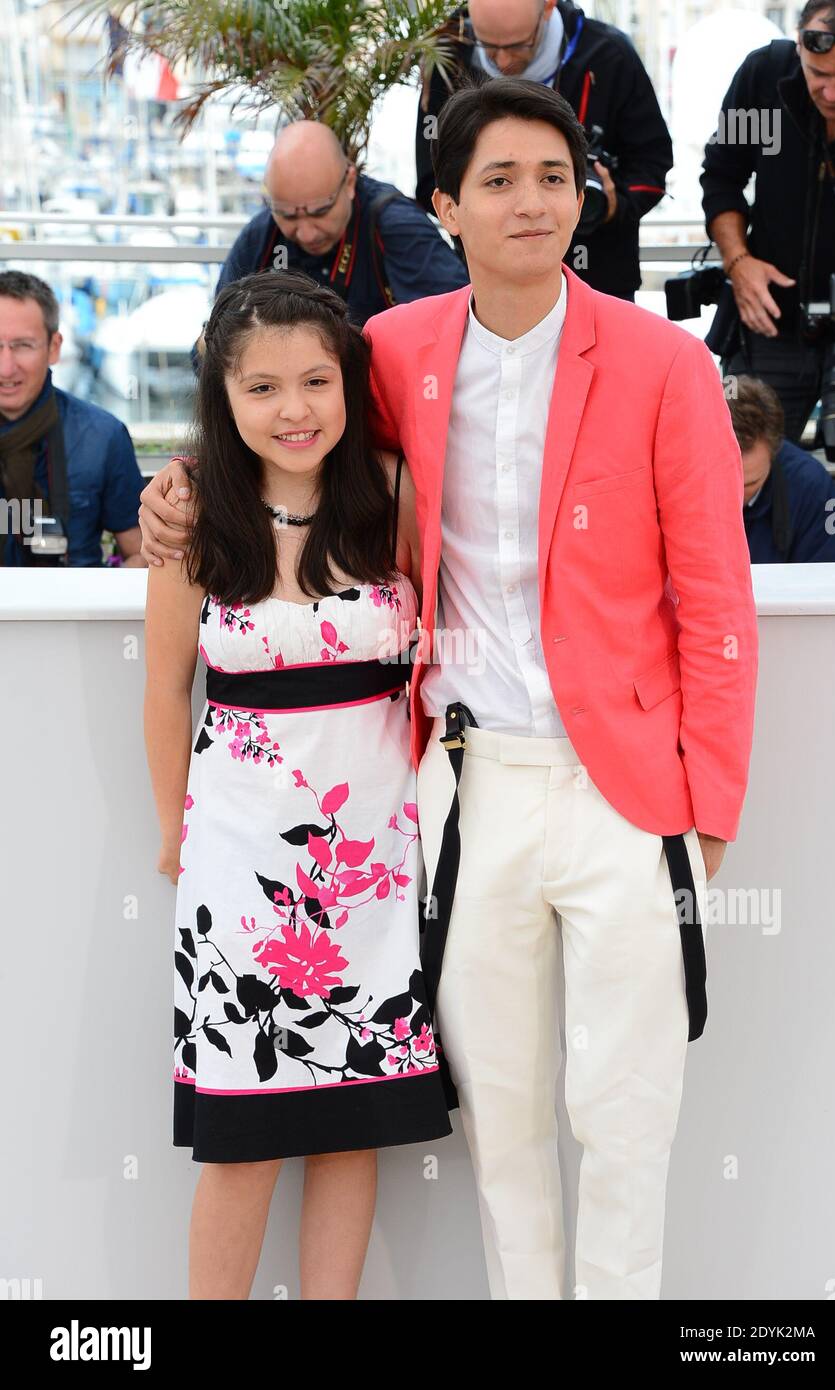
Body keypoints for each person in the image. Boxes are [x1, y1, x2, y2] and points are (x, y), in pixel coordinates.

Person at [137, 78, 758, 1302]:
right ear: (444, 208)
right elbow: (277, 410)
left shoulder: (661, 361)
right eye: (497, 181)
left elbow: (715, 597)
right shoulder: (399, 350)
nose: (532, 203)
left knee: (622, 1111)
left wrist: (710, 808)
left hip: (626, 790)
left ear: (584, 195)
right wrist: (177, 486)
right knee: (505, 1118)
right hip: (459, 787)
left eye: (553, 178)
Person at [143, 270, 452, 1300]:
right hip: (238, 865)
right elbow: (164, 688)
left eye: (315, 381)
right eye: (262, 387)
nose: (293, 409)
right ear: (223, 397)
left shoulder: (393, 494)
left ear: (348, 382)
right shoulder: (192, 516)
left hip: (374, 859)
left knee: (348, 1123)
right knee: (241, 1133)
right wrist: (170, 836)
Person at [701, 0, 835, 559]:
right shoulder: (763, 76)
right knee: (733, 464)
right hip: (770, 316)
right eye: (820, 75)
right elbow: (720, 177)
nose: (834, 92)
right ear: (799, 47)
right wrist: (739, 263)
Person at [415, 0, 673, 301]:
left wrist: (617, 203)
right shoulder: (448, 55)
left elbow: (652, 160)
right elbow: (433, 177)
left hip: (599, 273)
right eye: (487, 45)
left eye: (517, 45)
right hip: (484, 286)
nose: (501, 59)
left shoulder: (609, 56)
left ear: (548, 7)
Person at [191, 120, 469, 368]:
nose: (307, 232)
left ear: (349, 182)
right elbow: (207, 355)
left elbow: (456, 326)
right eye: (288, 215)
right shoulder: (261, 235)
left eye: (320, 211)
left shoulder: (394, 224)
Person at [0, 271, 144, 567]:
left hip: (75, 611)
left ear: (54, 347)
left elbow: (142, 552)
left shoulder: (102, 436)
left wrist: (100, 598)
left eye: (23, 345)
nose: (6, 368)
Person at [727, 374, 835, 562]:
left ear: (775, 451)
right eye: (724, 484)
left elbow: (828, 580)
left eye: (748, 485)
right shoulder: (678, 478)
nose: (733, 497)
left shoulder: (812, 488)